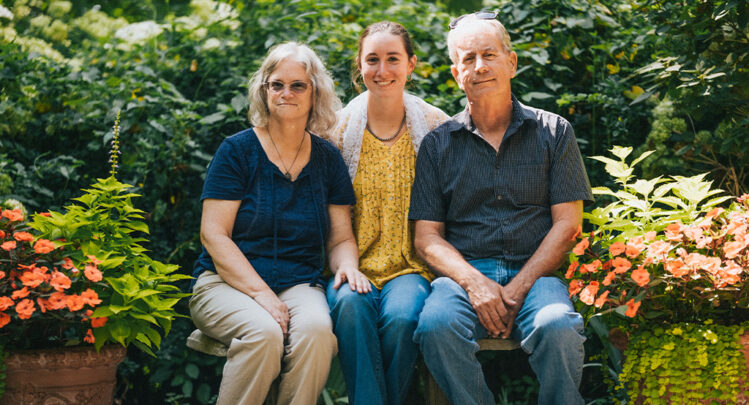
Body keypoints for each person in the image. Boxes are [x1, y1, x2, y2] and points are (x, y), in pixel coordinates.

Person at [409, 12, 594, 405]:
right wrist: (475, 285)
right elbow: (426, 237)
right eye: (468, 58)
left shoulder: (553, 131)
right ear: (456, 72)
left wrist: (516, 288)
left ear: (511, 62)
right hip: (463, 279)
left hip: (538, 274)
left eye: (489, 55)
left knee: (557, 325)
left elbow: (567, 225)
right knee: (435, 325)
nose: (480, 66)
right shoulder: (437, 145)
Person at [189, 42, 359, 405]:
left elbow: (341, 237)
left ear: (315, 93)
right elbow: (214, 235)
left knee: (316, 333)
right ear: (264, 90)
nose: (286, 93)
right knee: (263, 332)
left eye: (298, 85)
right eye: (276, 84)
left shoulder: (328, 159)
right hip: (225, 282)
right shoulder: (237, 151)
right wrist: (262, 295)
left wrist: (347, 266)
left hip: (298, 283)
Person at [324, 21, 449, 405]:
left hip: (410, 265)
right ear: (359, 68)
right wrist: (346, 265)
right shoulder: (337, 131)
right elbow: (330, 214)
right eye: (372, 60)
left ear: (411, 64)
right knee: (348, 306)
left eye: (392, 59)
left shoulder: (435, 126)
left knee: (403, 316)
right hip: (351, 261)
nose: (382, 70)